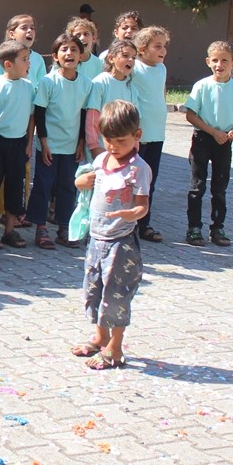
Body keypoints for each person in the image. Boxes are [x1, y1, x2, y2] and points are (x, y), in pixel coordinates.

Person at [73, 100, 151, 370]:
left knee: (116, 294)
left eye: (120, 141)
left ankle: (115, 347)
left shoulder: (139, 169)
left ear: (137, 135)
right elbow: (84, 182)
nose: (113, 146)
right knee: (93, 288)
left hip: (121, 243)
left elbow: (143, 206)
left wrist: (133, 213)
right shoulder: (101, 160)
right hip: (96, 238)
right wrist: (80, 182)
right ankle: (100, 336)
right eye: (108, 140)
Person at [25, 33, 92, 250]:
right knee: (43, 185)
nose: (69, 53)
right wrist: (43, 143)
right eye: (64, 49)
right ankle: (41, 227)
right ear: (55, 56)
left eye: (74, 49)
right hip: (49, 146)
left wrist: (81, 142)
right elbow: (40, 113)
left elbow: (84, 114)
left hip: (71, 146)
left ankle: (65, 228)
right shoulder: (48, 81)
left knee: (68, 187)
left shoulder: (86, 83)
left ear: (81, 56)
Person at [183, 40, 233, 247]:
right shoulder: (202, 86)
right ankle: (194, 228)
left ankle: (217, 228)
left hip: (224, 142)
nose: (219, 65)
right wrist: (212, 132)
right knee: (197, 186)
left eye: (224, 60)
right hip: (203, 139)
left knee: (220, 187)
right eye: (214, 60)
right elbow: (190, 115)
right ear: (207, 61)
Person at [0, 40, 34, 250]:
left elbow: (31, 117)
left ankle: (10, 230)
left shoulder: (29, 86)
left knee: (15, 186)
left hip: (18, 144)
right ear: (8, 64)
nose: (28, 63)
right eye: (24, 59)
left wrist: (29, 143)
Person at [131, 26, 171, 243]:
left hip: (157, 132)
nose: (163, 50)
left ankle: (144, 224)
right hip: (139, 134)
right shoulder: (134, 68)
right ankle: (128, 223)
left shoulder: (161, 69)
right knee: (134, 179)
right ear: (142, 48)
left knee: (150, 181)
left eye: (164, 46)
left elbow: (161, 95)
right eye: (157, 46)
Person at [85, 39, 137, 160]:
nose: (130, 60)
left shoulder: (131, 88)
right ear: (111, 58)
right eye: (125, 55)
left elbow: (135, 120)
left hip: (124, 150)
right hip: (102, 148)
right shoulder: (100, 83)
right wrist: (94, 146)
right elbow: (92, 118)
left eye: (134, 57)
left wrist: (134, 145)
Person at [4, 14, 46, 86]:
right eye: (24, 28)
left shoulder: (38, 58)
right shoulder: (4, 56)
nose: (30, 30)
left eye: (32, 28)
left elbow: (42, 85)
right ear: (12, 34)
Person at [67, 17, 104, 82]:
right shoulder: (66, 61)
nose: (82, 38)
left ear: (93, 38)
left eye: (86, 34)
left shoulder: (99, 64)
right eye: (78, 35)